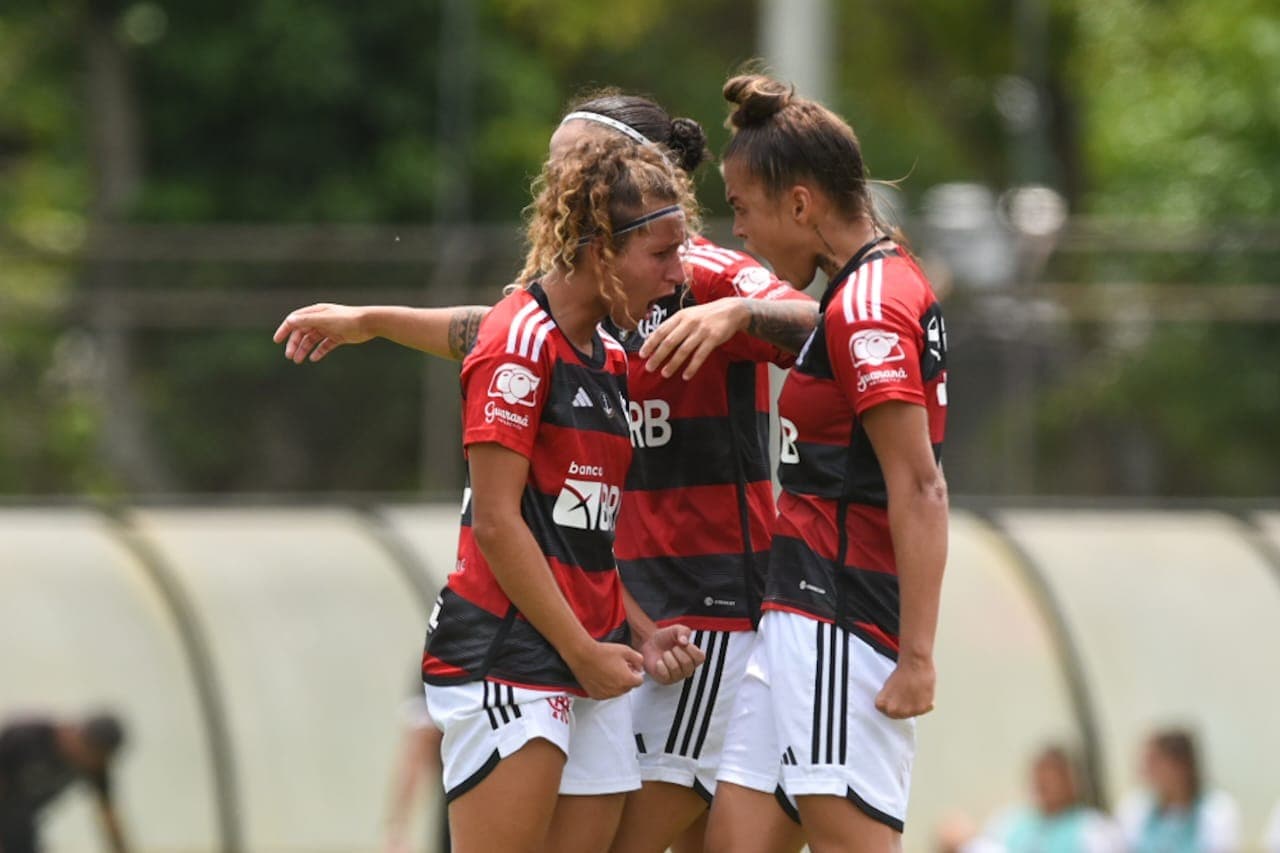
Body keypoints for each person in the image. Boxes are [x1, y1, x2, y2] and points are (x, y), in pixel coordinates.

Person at [273, 92, 818, 853]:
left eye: (578, 156)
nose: (557, 172)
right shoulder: (573, 312)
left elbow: (817, 325)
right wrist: (371, 320)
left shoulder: (690, 274)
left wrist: (733, 317)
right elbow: (496, 334)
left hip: (703, 609)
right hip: (588, 623)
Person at [641, 72, 949, 853]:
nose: (740, 233)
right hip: (793, 619)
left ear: (802, 204)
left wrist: (916, 656)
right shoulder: (863, 288)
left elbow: (919, 483)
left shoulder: (869, 303)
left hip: (840, 620)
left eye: (742, 209)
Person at [418, 133, 705, 853]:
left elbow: (581, 536)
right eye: (662, 255)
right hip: (509, 656)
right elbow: (496, 523)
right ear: (600, 249)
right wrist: (581, 650)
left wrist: (638, 629)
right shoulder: (519, 341)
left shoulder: (609, 356)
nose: (678, 276)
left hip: (588, 656)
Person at [937, 745, 1123, 853]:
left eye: (1052, 777)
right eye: (1039, 776)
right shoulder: (1009, 822)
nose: (1043, 784)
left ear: (1072, 782)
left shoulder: (1094, 830)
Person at [0, 712, 130, 853]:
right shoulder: (27, 739)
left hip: (22, 823)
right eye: (94, 755)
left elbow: (108, 815)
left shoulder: (94, 765)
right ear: (81, 737)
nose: (94, 763)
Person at [1116, 729, 1240, 853]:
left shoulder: (1216, 809)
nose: (1145, 770)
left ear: (1181, 765)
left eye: (1154, 762)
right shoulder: (1135, 807)